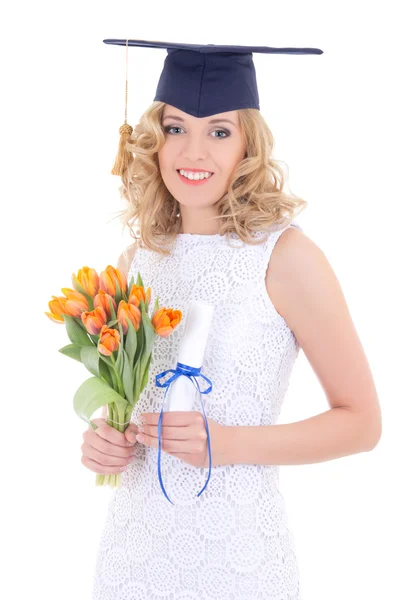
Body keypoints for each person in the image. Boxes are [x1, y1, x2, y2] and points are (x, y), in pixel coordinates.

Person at [80, 40, 382, 599]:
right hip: (133, 560)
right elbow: (127, 410)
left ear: (248, 143)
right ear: (152, 139)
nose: (194, 152)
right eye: (176, 128)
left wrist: (225, 444)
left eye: (218, 131)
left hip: (237, 559)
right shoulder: (136, 262)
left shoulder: (285, 257)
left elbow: (362, 423)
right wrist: (107, 440)